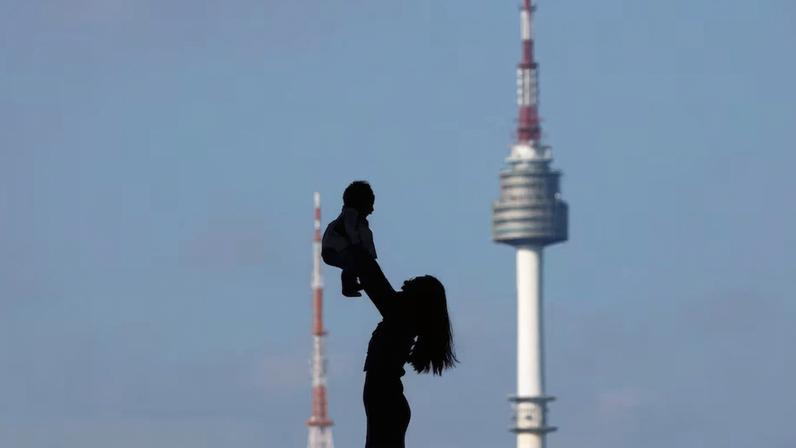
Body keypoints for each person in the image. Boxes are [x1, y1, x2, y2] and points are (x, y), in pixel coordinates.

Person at [349, 244, 458, 447]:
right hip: (389, 398)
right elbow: (372, 277)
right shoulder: (403, 317)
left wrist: (355, 246)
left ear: (417, 300)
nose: (406, 282)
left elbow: (373, 278)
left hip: (386, 397)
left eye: (413, 284)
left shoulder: (400, 316)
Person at [322, 181, 377, 297]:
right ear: (362, 204)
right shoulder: (350, 215)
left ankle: (352, 283)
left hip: (336, 249)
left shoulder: (359, 222)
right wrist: (357, 245)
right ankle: (349, 285)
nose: (372, 210)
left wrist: (370, 256)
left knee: (356, 262)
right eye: (370, 205)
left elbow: (365, 239)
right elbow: (350, 229)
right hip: (335, 248)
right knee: (354, 261)